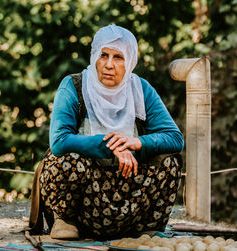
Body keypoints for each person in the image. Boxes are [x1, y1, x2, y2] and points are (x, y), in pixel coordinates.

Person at [29, 24, 184, 240]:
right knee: (65, 160)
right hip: (85, 203)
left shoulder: (141, 90)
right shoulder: (73, 86)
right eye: (103, 55)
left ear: (129, 61)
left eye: (118, 57)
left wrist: (134, 143)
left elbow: (175, 138)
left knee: (170, 161)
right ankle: (65, 220)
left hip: (130, 196)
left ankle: (147, 227)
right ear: (94, 56)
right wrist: (110, 146)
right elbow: (59, 141)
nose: (109, 65)